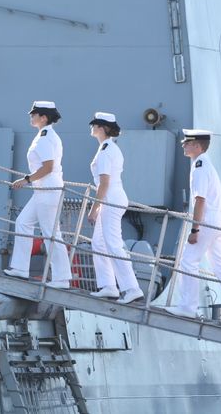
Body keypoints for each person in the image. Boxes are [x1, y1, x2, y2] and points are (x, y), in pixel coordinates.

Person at [167, 129, 221, 327]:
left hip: (207, 220)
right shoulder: (205, 164)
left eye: (187, 142)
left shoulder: (200, 166)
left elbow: (200, 200)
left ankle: (188, 306)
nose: (183, 145)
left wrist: (195, 230)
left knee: (188, 261)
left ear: (197, 145)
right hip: (219, 220)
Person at [4, 102, 72, 289]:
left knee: (51, 234)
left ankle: (62, 278)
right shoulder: (45, 135)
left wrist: (26, 179)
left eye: (34, 114)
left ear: (44, 117)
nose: (31, 117)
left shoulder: (45, 137)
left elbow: (48, 167)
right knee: (23, 222)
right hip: (42, 190)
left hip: (48, 190)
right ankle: (20, 267)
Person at [86, 112, 143, 304]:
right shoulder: (108, 148)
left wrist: (94, 208)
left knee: (113, 244)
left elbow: (104, 184)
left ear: (103, 128)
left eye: (95, 125)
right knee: (99, 243)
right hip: (112, 198)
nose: (92, 127)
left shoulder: (105, 150)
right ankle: (109, 286)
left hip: (109, 199)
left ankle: (131, 288)